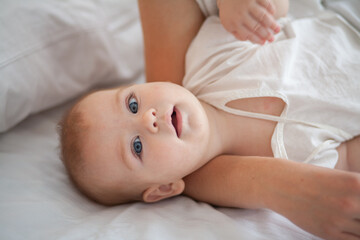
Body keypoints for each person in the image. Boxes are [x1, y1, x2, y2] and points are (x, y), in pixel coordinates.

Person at [59, 1, 360, 240]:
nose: (148, 119)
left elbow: (276, 12)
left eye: (132, 103)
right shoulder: (297, 161)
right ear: (164, 188)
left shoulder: (206, 58)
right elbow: (350, 158)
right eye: (136, 147)